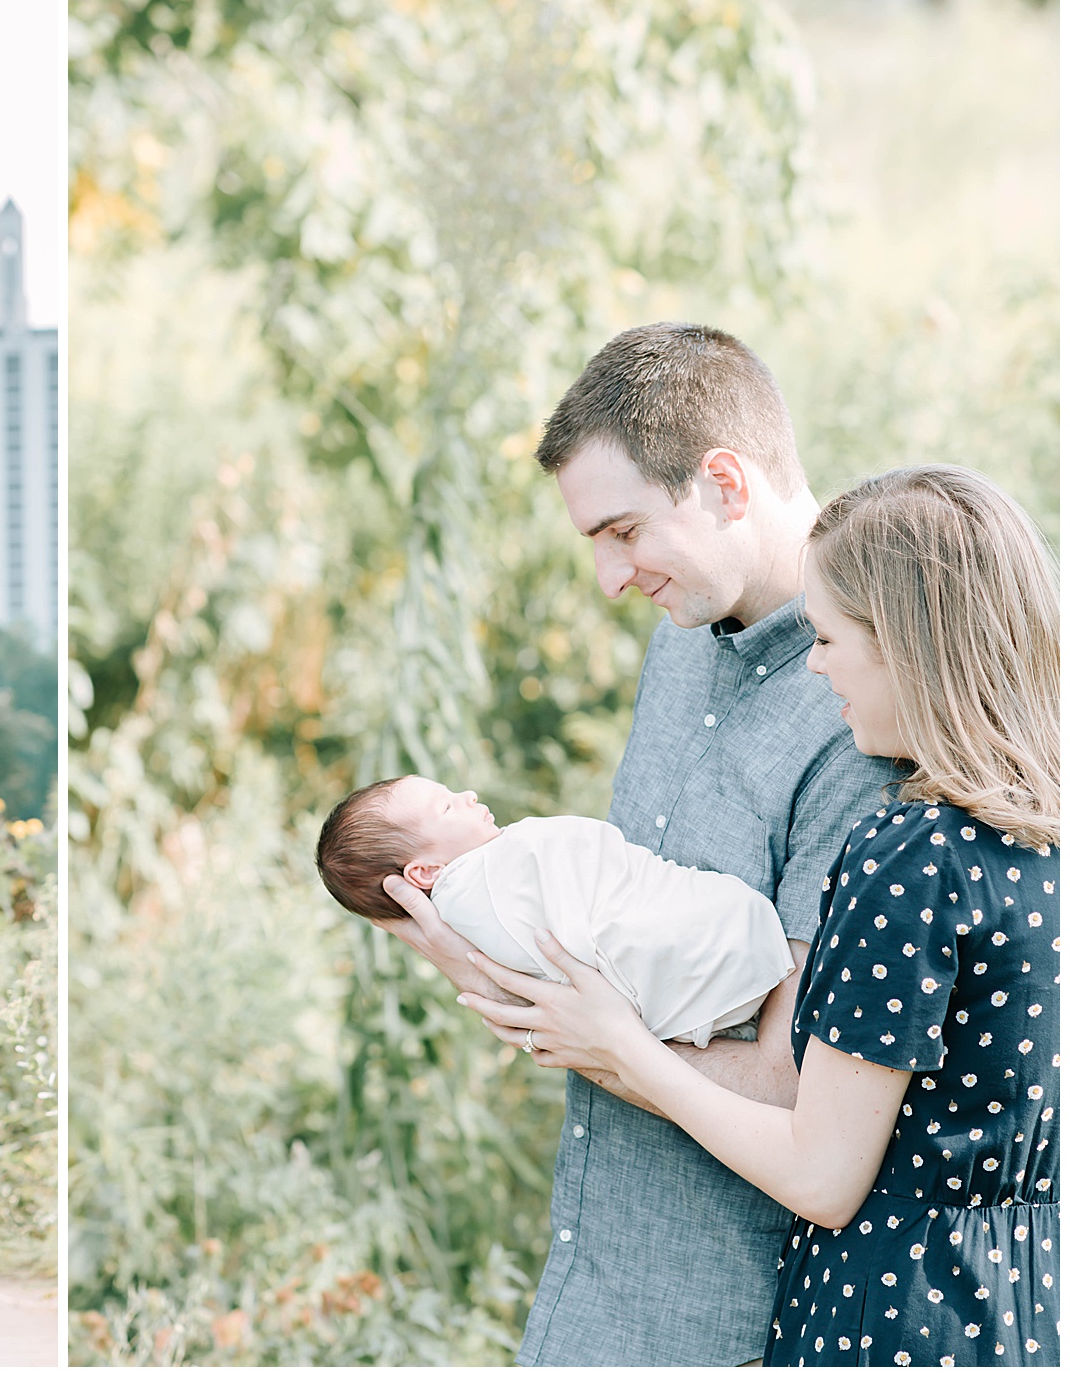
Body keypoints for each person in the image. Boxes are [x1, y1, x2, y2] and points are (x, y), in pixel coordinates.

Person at [372, 324, 895, 1364]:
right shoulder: (679, 639)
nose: (609, 580)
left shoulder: (856, 718)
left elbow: (791, 1083)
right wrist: (508, 974)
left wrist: (574, 1024)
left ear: (723, 484)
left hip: (720, 1321)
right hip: (587, 1286)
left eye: (622, 532)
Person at [462, 465, 1059, 1366]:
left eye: (827, 638)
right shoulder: (1039, 843)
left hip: (885, 1319)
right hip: (1019, 1305)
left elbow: (821, 1174)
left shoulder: (909, 855)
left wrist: (623, 1046)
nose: (816, 666)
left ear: (906, 643)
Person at [315, 775, 793, 1047]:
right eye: (446, 808)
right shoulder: (479, 890)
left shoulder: (493, 878)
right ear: (423, 873)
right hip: (713, 951)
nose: (469, 797)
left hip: (699, 996)